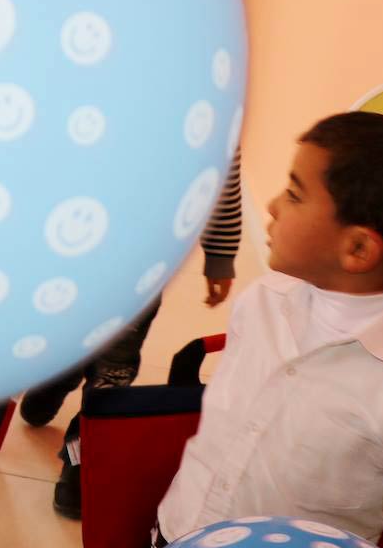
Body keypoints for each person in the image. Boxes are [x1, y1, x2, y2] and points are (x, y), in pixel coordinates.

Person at [156, 111, 383, 545]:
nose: (272, 205)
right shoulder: (264, 299)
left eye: (294, 194)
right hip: (176, 536)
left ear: (357, 248)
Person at [19, 151, 244, 517]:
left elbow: (222, 182)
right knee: (67, 337)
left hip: (142, 269)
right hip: (71, 249)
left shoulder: (211, 105)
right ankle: (56, 377)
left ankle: (83, 451)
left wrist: (219, 255)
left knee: (114, 366)